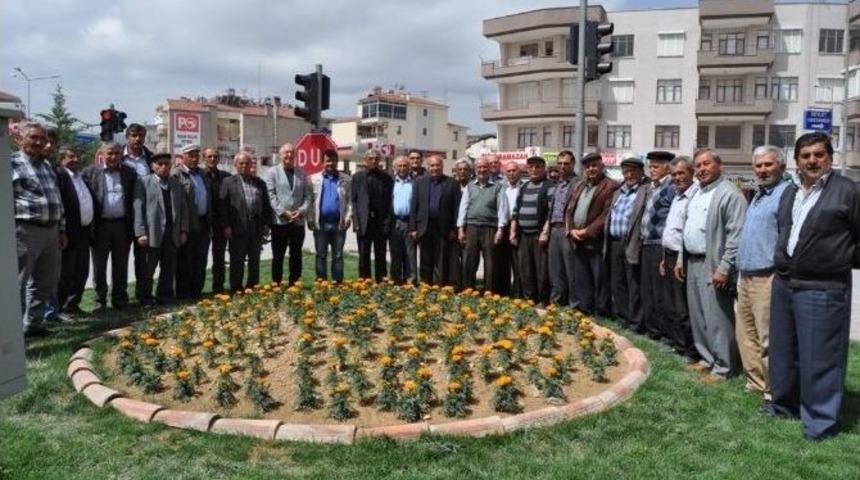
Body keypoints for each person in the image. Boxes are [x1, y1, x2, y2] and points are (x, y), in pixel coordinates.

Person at [768, 133, 860, 440]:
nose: (812, 160)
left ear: (830, 158)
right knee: (784, 351)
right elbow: (785, 229)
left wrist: (839, 258)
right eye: (805, 155)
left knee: (820, 357)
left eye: (818, 154)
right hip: (785, 283)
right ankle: (784, 406)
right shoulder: (789, 192)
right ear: (796, 161)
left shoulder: (848, 191)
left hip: (823, 287)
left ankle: (820, 422)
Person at [675, 148, 746, 381]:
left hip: (713, 264)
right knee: (699, 316)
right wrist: (680, 259)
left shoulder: (730, 194)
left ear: (719, 165)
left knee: (718, 318)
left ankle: (724, 367)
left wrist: (725, 268)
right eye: (698, 165)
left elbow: (736, 235)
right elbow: (687, 227)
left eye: (707, 164)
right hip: (693, 261)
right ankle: (707, 358)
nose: (702, 169)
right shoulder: (697, 192)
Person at [735, 146, 790, 402]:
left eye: (768, 165)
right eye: (758, 166)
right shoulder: (758, 196)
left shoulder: (785, 194)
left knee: (768, 337)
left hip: (768, 277)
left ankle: (772, 389)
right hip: (746, 275)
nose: (762, 170)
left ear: (782, 166)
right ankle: (755, 382)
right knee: (746, 334)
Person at [12, 122, 67, 337]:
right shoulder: (11, 164)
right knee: (18, 282)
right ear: (20, 139)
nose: (39, 142)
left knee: (45, 281)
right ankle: (13, 332)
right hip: (25, 231)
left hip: (51, 232)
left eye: (42, 139)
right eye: (33, 138)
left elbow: (57, 200)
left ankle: (33, 325)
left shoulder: (46, 166)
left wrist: (61, 230)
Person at [83, 142, 137, 311]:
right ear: (102, 154)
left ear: (121, 154)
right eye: (110, 153)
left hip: (122, 226)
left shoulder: (129, 173)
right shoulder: (90, 172)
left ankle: (120, 299)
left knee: (121, 265)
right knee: (99, 266)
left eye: (117, 153)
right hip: (100, 226)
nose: (113, 157)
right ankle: (100, 301)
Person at [565, 152, 619, 316]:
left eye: (594, 165)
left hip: (596, 240)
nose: (591, 169)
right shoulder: (580, 185)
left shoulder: (610, 185)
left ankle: (601, 311)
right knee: (582, 276)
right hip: (578, 239)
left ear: (602, 166)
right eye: (588, 167)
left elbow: (606, 214)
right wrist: (572, 229)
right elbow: (570, 208)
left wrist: (586, 232)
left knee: (599, 278)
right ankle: (585, 308)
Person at [134, 153, 189, 304]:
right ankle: (144, 297)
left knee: (168, 267)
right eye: (160, 164)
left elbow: (183, 208)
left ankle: (164, 296)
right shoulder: (144, 182)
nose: (164, 167)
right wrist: (140, 232)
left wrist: (183, 230)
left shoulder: (176, 184)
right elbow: (138, 208)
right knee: (147, 269)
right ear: (153, 166)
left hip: (172, 233)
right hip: (152, 233)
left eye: (166, 164)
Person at [604, 153, 649, 332]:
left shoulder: (645, 190)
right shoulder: (618, 192)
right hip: (614, 242)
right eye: (626, 172)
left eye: (632, 171)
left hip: (632, 242)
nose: (629, 175)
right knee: (618, 282)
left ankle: (636, 322)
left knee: (633, 283)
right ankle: (624, 317)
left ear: (640, 172)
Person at [660, 156, 697, 361]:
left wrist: (680, 260)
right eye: (674, 174)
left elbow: (687, 232)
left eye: (682, 173)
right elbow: (672, 230)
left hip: (683, 258)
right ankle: (678, 343)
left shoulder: (694, 196)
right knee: (672, 304)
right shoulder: (677, 195)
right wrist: (665, 258)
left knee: (683, 306)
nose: (677, 178)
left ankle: (690, 349)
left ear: (691, 172)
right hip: (670, 254)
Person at [219, 152, 273, 291]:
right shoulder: (228, 182)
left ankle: (252, 286)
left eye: (247, 163)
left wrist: (266, 224)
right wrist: (226, 226)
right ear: (236, 165)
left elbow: (266, 205)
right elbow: (223, 206)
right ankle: (236, 288)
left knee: (254, 259)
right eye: (241, 163)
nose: (244, 166)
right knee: (237, 259)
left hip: (256, 227)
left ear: (251, 165)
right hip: (237, 227)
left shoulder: (259, 182)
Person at [457, 157, 510, 292]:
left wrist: (500, 229)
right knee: (469, 261)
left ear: (489, 169)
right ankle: (468, 290)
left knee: (491, 262)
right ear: (475, 170)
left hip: (490, 228)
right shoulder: (470, 186)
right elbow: (463, 208)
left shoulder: (498, 187)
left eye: (485, 167)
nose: (482, 170)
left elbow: (502, 208)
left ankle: (489, 291)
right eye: (479, 167)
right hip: (471, 227)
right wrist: (461, 229)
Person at [640, 151, 676, 341]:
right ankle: (652, 330)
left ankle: (664, 334)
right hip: (647, 244)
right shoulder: (653, 187)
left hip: (659, 246)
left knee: (660, 292)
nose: (651, 170)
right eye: (650, 166)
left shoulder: (670, 186)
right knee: (648, 290)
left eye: (655, 166)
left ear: (667, 168)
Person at [410, 155, 462, 286]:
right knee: (425, 260)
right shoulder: (419, 182)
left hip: (443, 228)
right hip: (425, 227)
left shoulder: (452, 183)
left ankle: (439, 286)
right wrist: (413, 228)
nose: (435, 168)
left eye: (437, 165)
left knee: (441, 260)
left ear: (442, 167)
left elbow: (457, 208)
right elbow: (414, 206)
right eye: (432, 165)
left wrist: (454, 229)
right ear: (428, 167)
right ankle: (425, 286)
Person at [265, 142, 312, 285]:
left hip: (298, 221)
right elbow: (271, 195)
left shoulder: (302, 173)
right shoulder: (272, 172)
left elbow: (308, 196)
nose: (289, 155)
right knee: (278, 255)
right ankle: (276, 282)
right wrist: (283, 212)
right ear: (280, 155)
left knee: (296, 254)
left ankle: (294, 282)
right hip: (280, 222)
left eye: (292, 153)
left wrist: (302, 210)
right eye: (286, 153)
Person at [55, 148, 94, 316]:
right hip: (69, 231)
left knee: (81, 270)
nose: (76, 159)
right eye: (71, 156)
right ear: (61, 158)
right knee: (66, 272)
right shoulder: (60, 176)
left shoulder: (81, 177)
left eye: (78, 156)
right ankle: (60, 307)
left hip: (84, 231)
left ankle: (73, 305)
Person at [172, 144, 213, 299]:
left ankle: (197, 291)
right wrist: (182, 228)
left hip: (203, 223)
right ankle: (183, 293)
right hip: (187, 225)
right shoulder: (177, 174)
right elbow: (177, 204)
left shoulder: (202, 174)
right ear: (183, 157)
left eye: (196, 155)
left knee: (201, 259)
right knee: (185, 261)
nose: (194, 158)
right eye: (191, 155)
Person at [510, 156, 553, 304]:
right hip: (523, 235)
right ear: (527, 169)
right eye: (531, 167)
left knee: (541, 270)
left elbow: (550, 212)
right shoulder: (524, 186)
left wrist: (545, 232)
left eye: (538, 167)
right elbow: (516, 211)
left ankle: (543, 299)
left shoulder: (548, 186)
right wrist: (513, 232)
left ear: (543, 169)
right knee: (525, 269)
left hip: (538, 235)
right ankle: (529, 298)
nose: (534, 170)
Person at [121, 124, 154, 303]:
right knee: (121, 260)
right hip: (123, 216)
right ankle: (120, 298)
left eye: (140, 136)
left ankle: (143, 294)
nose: (137, 139)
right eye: (133, 135)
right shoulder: (117, 156)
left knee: (144, 260)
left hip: (145, 217)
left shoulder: (150, 158)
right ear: (127, 137)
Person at [308, 149, 351, 283]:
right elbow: (309, 200)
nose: (330, 163)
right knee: (321, 255)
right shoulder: (313, 179)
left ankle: (338, 283)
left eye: (333, 160)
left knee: (338, 256)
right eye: (327, 161)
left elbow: (350, 201)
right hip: (320, 224)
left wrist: (348, 216)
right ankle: (322, 282)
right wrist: (310, 219)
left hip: (339, 224)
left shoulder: (346, 179)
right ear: (322, 162)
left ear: (337, 162)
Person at [351, 150, 393, 282]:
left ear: (379, 160)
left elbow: (390, 203)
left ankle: (381, 282)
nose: (374, 161)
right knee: (363, 255)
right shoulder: (357, 177)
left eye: (376, 158)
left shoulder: (387, 178)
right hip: (364, 222)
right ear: (365, 160)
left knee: (380, 254)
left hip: (380, 223)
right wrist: (356, 223)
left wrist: (387, 223)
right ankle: (364, 282)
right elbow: (353, 201)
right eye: (371, 158)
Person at [545, 150, 577, 306]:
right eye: (560, 163)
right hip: (554, 229)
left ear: (573, 164)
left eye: (566, 163)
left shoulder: (578, 183)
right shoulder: (558, 183)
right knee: (555, 268)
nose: (562, 166)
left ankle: (574, 303)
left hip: (567, 230)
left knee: (571, 269)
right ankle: (557, 302)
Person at [202, 148, 231, 293]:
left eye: (215, 156)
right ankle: (196, 288)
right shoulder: (199, 176)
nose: (212, 159)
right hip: (203, 222)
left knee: (219, 257)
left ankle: (218, 286)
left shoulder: (226, 177)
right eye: (209, 156)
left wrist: (227, 224)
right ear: (204, 158)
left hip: (221, 223)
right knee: (200, 256)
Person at [389, 155, 416, 284]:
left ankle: (410, 280)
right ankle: (396, 280)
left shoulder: (416, 182)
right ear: (394, 167)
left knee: (410, 254)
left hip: (409, 222)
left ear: (409, 167)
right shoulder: (390, 182)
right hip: (394, 222)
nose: (402, 168)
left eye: (405, 165)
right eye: (399, 166)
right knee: (395, 253)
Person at [496, 161, 521, 296]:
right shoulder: (500, 188)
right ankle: (504, 292)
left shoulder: (524, 187)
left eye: (514, 170)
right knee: (502, 262)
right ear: (505, 173)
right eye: (509, 171)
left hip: (518, 228)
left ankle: (518, 292)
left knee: (518, 263)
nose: (511, 173)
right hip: (503, 227)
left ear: (519, 172)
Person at [448, 159, 472, 290]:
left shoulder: (474, 186)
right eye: (460, 169)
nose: (462, 172)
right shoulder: (451, 185)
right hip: (454, 228)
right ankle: (456, 284)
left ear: (470, 172)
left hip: (470, 228)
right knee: (453, 258)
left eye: (465, 169)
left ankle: (467, 285)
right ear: (456, 172)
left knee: (468, 258)